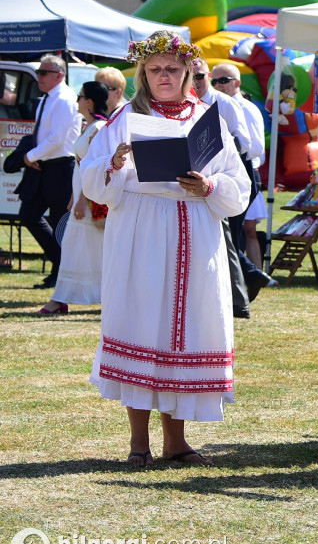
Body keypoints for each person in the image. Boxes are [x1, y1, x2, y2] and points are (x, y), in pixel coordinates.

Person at [81, 30, 250, 466]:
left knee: (185, 329)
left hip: (194, 229)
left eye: (171, 69)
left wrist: (208, 184)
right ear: (142, 73)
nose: (163, 76)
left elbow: (239, 185)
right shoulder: (122, 118)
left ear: (187, 71)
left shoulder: (207, 118)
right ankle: (139, 442)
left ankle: (177, 442)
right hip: (140, 231)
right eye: (154, 69)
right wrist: (113, 163)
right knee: (141, 324)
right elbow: (93, 181)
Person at [38, 81, 110, 314]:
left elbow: (95, 168)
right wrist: (73, 195)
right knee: (80, 248)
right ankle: (64, 298)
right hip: (82, 197)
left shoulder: (99, 128)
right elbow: (81, 169)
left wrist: (81, 199)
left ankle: (61, 299)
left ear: (89, 101)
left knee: (80, 248)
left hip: (91, 201)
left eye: (80, 96)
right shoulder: (88, 127)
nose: (77, 100)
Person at [19, 54, 80, 289]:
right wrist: (34, 157)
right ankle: (59, 263)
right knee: (29, 213)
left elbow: (57, 139)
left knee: (58, 222)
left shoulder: (64, 98)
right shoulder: (48, 98)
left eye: (43, 73)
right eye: (38, 72)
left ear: (59, 75)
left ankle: (61, 272)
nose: (39, 77)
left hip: (60, 167)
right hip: (44, 164)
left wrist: (29, 156)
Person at [210, 62, 268, 268]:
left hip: (245, 172)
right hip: (232, 173)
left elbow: (256, 147)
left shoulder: (245, 107)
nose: (218, 85)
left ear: (237, 82)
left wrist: (228, 154)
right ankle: (249, 273)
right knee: (235, 230)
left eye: (224, 80)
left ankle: (252, 273)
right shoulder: (218, 103)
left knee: (240, 230)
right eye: (214, 81)